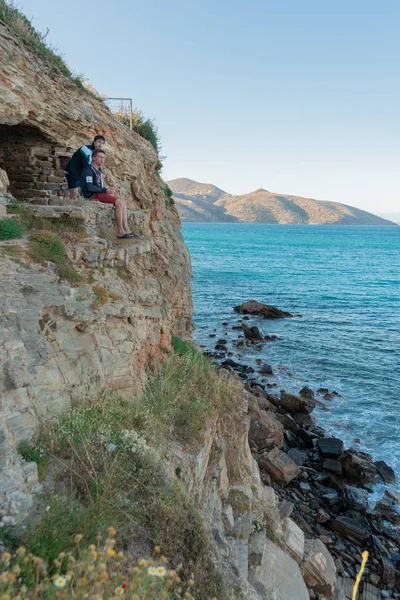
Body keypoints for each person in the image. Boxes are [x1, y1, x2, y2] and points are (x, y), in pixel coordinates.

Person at [80, 149, 137, 239]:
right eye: (99, 157)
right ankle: (120, 232)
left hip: (99, 194)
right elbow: (89, 187)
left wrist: (107, 190)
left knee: (123, 202)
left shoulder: (98, 171)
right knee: (119, 202)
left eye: (103, 157)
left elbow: (99, 185)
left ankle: (127, 230)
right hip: (92, 195)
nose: (102, 159)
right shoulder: (88, 170)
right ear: (93, 158)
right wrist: (105, 190)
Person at [65, 135, 106, 201]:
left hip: (81, 174)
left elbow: (94, 165)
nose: (100, 144)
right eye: (99, 142)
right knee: (74, 193)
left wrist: (100, 172)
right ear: (94, 142)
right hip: (73, 172)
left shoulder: (96, 153)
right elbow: (87, 165)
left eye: (102, 143)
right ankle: (73, 209)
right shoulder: (86, 149)